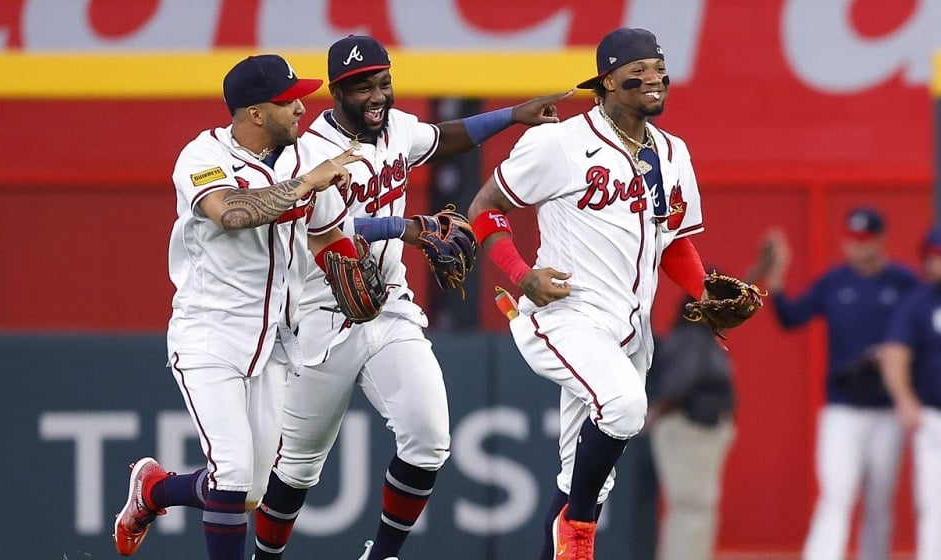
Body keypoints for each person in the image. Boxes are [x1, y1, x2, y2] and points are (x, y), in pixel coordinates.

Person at [252, 35, 572, 560]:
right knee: (296, 470)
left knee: (429, 441)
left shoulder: (396, 128)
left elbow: (442, 138)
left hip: (389, 309)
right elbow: (325, 224)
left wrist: (514, 114)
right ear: (335, 92)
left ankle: (382, 556)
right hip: (320, 317)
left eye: (384, 83)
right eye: (362, 88)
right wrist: (405, 226)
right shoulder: (308, 153)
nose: (377, 96)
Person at [467, 27, 733, 560]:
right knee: (625, 406)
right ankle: (581, 527)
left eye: (660, 68)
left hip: (630, 333)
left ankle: (572, 526)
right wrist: (520, 274)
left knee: (580, 477)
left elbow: (673, 242)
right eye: (640, 70)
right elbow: (483, 210)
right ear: (608, 81)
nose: (654, 78)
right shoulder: (560, 143)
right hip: (566, 315)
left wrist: (706, 293)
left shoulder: (672, 153)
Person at [111, 54, 365, 560]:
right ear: (254, 113)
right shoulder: (202, 156)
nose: (301, 108)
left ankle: (153, 490)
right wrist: (309, 184)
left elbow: (326, 234)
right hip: (209, 334)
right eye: (287, 100)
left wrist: (353, 271)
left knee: (246, 493)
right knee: (228, 471)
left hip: (273, 339)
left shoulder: (300, 156)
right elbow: (230, 212)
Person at [759, 207, 919, 560]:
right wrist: (777, 275)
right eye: (851, 238)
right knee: (836, 493)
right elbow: (790, 316)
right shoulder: (834, 282)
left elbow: (921, 334)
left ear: (880, 239)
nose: (856, 246)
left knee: (879, 500)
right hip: (842, 407)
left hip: (887, 408)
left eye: (863, 239)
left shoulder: (903, 283)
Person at [646, 295, 736, 560]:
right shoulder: (692, 338)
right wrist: (656, 413)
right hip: (689, 430)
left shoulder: (698, 336)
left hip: (695, 431)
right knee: (692, 507)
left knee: (696, 508)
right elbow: (680, 385)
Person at [880, 226, 941, 560]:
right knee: (933, 504)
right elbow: (896, 353)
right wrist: (905, 400)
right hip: (933, 417)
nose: (932, 265)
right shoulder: (918, 301)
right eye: (928, 258)